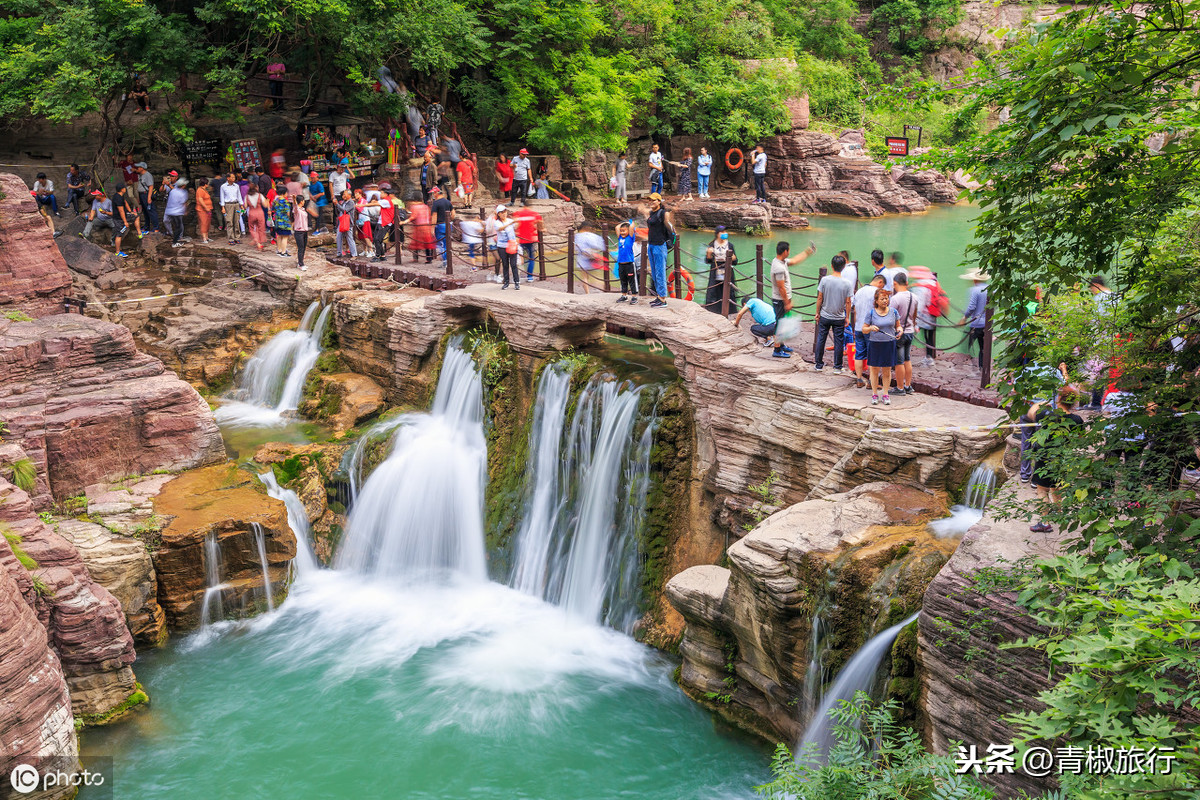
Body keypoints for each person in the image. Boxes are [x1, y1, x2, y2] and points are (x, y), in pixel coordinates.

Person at [1026, 387, 1085, 532]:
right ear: (1073, 403)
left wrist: (1043, 402)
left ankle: (1044, 523)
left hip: (1044, 457)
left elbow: (1030, 412)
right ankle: (1059, 513)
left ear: (1059, 399)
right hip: (1062, 457)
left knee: (1042, 491)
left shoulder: (1047, 415)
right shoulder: (1076, 420)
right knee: (1056, 485)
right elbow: (1080, 439)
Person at [770, 240, 818, 358]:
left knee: (782, 322)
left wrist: (808, 252)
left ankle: (781, 345)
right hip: (780, 300)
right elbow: (781, 288)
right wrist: (787, 303)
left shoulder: (781, 261)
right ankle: (776, 350)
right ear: (785, 251)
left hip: (783, 299)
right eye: (789, 250)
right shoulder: (779, 267)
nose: (789, 252)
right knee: (779, 324)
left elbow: (795, 260)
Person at [813, 255, 854, 372]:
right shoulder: (847, 283)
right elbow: (848, 301)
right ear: (844, 267)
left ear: (832, 266)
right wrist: (847, 317)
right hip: (839, 316)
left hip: (825, 315)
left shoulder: (825, 280)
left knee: (821, 338)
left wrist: (817, 313)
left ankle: (818, 365)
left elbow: (820, 297)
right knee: (839, 340)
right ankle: (837, 367)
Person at [863, 287, 902, 405]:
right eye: (882, 299)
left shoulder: (894, 312)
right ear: (876, 301)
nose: (885, 301)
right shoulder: (871, 313)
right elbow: (864, 329)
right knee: (874, 370)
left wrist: (900, 331)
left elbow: (898, 326)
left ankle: (885, 394)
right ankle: (874, 394)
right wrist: (870, 328)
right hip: (875, 344)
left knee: (887, 370)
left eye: (886, 298)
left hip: (889, 344)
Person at [852, 273, 888, 387]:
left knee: (859, 354)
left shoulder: (859, 291)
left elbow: (855, 311)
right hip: (871, 328)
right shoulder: (877, 293)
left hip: (859, 327)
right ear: (880, 282)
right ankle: (873, 382)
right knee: (873, 356)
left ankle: (859, 379)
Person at [642, 192, 674, 307]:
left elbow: (669, 226)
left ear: (659, 201)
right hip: (651, 245)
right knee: (654, 273)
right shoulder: (652, 213)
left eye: (653, 200)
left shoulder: (662, 213)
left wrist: (669, 222)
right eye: (650, 200)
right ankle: (659, 296)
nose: (651, 202)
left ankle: (663, 299)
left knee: (660, 272)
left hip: (660, 245)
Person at [889, 273, 919, 393]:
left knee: (899, 361)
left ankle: (900, 387)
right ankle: (908, 385)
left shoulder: (895, 298)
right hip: (910, 331)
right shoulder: (914, 297)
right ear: (906, 283)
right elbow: (915, 315)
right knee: (907, 359)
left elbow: (890, 316)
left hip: (899, 332)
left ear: (895, 283)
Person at [959, 268, 990, 368]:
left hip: (975, 324)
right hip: (987, 324)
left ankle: (964, 365)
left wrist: (964, 317)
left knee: (966, 345)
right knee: (983, 347)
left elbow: (972, 307)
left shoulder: (974, 290)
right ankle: (982, 367)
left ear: (975, 280)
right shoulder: (991, 289)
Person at [703, 227, 738, 314]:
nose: (725, 233)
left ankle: (729, 311)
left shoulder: (730, 245)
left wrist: (733, 258)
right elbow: (707, 261)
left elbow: (735, 261)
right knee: (714, 290)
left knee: (728, 289)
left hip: (727, 268)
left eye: (725, 231)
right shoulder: (712, 244)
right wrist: (709, 254)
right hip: (716, 269)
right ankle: (713, 311)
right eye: (722, 232)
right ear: (718, 234)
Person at [81, 189, 124, 257]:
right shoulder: (95, 201)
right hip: (99, 219)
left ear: (101, 195)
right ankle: (85, 234)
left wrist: (106, 212)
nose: (95, 197)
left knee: (115, 226)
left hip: (109, 219)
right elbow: (93, 210)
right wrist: (91, 216)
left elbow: (113, 213)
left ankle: (113, 241)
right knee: (90, 222)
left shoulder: (109, 202)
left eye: (96, 195)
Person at [512, 205, 543, 282]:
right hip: (530, 239)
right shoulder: (534, 214)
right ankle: (530, 276)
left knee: (517, 257)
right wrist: (541, 229)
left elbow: (515, 225)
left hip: (520, 239)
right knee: (531, 258)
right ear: (529, 206)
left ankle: (517, 276)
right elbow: (540, 222)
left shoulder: (517, 213)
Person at [494, 205, 521, 289]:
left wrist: (517, 222)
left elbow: (516, 227)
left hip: (512, 245)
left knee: (513, 264)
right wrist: (511, 223)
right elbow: (500, 228)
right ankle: (506, 282)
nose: (504, 214)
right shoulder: (497, 222)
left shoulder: (510, 220)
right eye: (501, 212)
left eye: (505, 212)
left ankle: (517, 282)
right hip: (502, 246)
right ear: (498, 214)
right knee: (505, 264)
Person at [428, 185, 454, 263]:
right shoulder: (447, 202)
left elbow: (434, 216)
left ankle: (445, 261)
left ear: (436, 193)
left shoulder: (436, 203)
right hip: (448, 224)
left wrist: (432, 228)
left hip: (440, 226)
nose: (432, 195)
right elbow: (453, 213)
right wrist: (449, 220)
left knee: (441, 244)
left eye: (433, 193)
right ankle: (447, 260)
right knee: (447, 244)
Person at [615, 221, 639, 303]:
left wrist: (629, 223)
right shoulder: (620, 238)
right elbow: (617, 227)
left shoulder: (630, 238)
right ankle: (624, 295)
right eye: (621, 231)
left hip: (629, 263)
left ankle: (634, 296)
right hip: (621, 263)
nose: (622, 232)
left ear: (628, 231)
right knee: (623, 280)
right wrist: (624, 222)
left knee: (632, 280)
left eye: (624, 231)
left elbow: (632, 226)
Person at [407, 197, 434, 263]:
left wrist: (405, 221)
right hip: (427, 226)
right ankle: (429, 258)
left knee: (415, 243)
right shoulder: (426, 207)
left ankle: (415, 258)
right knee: (427, 243)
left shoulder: (415, 207)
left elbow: (413, 216)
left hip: (419, 227)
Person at [219, 172, 244, 245]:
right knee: (229, 221)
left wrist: (241, 204)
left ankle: (237, 237)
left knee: (236, 221)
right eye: (232, 177)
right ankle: (231, 238)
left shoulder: (236, 186)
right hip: (228, 205)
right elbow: (222, 197)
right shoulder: (223, 186)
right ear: (228, 178)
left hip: (236, 204)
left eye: (234, 177)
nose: (233, 179)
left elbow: (239, 195)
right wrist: (223, 207)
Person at [135, 163, 160, 233]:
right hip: (141, 195)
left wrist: (149, 197)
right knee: (145, 212)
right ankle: (146, 226)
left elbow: (151, 186)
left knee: (151, 211)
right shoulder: (141, 175)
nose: (137, 168)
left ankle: (156, 227)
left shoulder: (147, 175)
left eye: (138, 167)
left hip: (146, 194)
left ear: (142, 168)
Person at [164, 178, 190, 246]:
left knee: (175, 226)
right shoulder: (183, 192)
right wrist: (186, 211)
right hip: (177, 212)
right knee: (179, 227)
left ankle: (175, 239)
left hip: (170, 211)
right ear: (183, 185)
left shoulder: (173, 191)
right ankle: (175, 242)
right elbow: (184, 203)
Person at [292, 192, 313, 270]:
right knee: (300, 248)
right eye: (303, 200)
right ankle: (300, 264)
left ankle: (301, 262)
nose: (304, 202)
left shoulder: (303, 210)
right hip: (299, 231)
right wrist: (294, 199)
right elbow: (295, 206)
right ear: (301, 201)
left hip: (305, 230)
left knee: (303, 247)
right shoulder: (297, 210)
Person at [245, 182, 269, 250]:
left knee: (252, 228)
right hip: (260, 213)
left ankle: (256, 240)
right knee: (261, 228)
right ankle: (260, 243)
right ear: (256, 188)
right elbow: (265, 205)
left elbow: (245, 206)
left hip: (251, 213)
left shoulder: (246, 196)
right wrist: (267, 202)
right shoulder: (260, 195)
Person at [335, 190, 358, 257]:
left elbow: (345, 210)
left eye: (345, 194)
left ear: (349, 195)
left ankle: (354, 254)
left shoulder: (351, 202)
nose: (343, 196)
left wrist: (337, 204)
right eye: (343, 195)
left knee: (349, 238)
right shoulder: (344, 202)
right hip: (341, 222)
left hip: (348, 223)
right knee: (338, 237)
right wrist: (337, 205)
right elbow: (340, 210)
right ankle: (339, 253)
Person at [272, 187, 292, 256]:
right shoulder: (285, 201)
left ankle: (279, 250)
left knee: (279, 235)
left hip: (277, 220)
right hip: (284, 221)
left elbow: (273, 209)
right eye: (286, 193)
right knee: (285, 237)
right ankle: (283, 252)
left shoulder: (276, 200)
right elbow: (288, 213)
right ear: (283, 193)